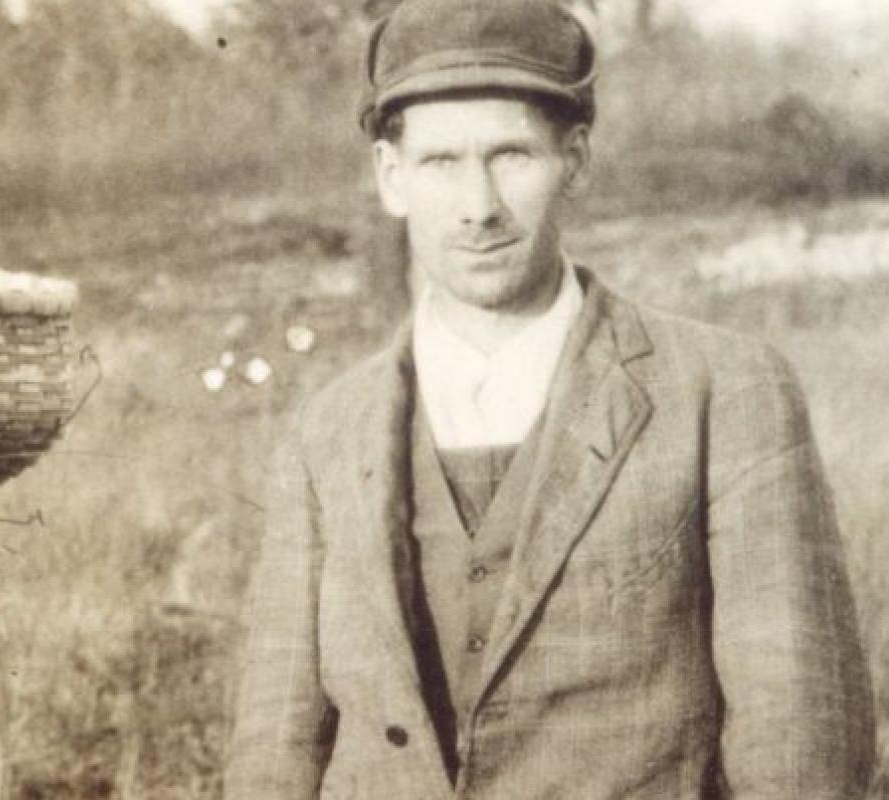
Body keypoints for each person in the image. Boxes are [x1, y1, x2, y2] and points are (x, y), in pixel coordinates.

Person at [222, 0, 877, 796]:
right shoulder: (327, 432)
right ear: (391, 179)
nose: (478, 207)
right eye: (440, 163)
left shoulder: (727, 393)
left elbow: (802, 743)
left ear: (575, 159)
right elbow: (274, 747)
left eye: (512, 155)